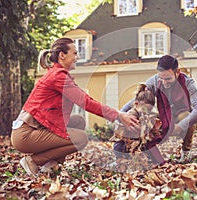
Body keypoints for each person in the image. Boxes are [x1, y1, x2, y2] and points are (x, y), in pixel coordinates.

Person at [11, 37, 138, 177]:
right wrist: (119, 115)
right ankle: (33, 161)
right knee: (81, 139)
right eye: (75, 53)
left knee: (78, 121)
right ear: (62, 55)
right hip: (25, 135)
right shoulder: (57, 77)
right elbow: (86, 102)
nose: (77, 57)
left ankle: (51, 165)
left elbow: (85, 99)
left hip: (32, 131)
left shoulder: (57, 74)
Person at [119, 55, 197, 164]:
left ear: (177, 72)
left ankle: (186, 152)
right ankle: (140, 154)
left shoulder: (188, 83)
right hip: (163, 117)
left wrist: (181, 126)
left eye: (168, 79)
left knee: (186, 116)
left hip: (180, 116)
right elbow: (137, 101)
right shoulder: (154, 81)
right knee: (142, 117)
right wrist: (121, 114)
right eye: (161, 78)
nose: (164, 82)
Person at [111, 83, 164, 165]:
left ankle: (156, 161)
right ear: (136, 104)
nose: (146, 112)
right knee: (120, 149)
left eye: (149, 110)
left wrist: (155, 127)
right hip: (125, 144)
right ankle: (120, 161)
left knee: (149, 146)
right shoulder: (131, 115)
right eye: (145, 109)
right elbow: (135, 128)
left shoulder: (146, 115)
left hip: (138, 143)